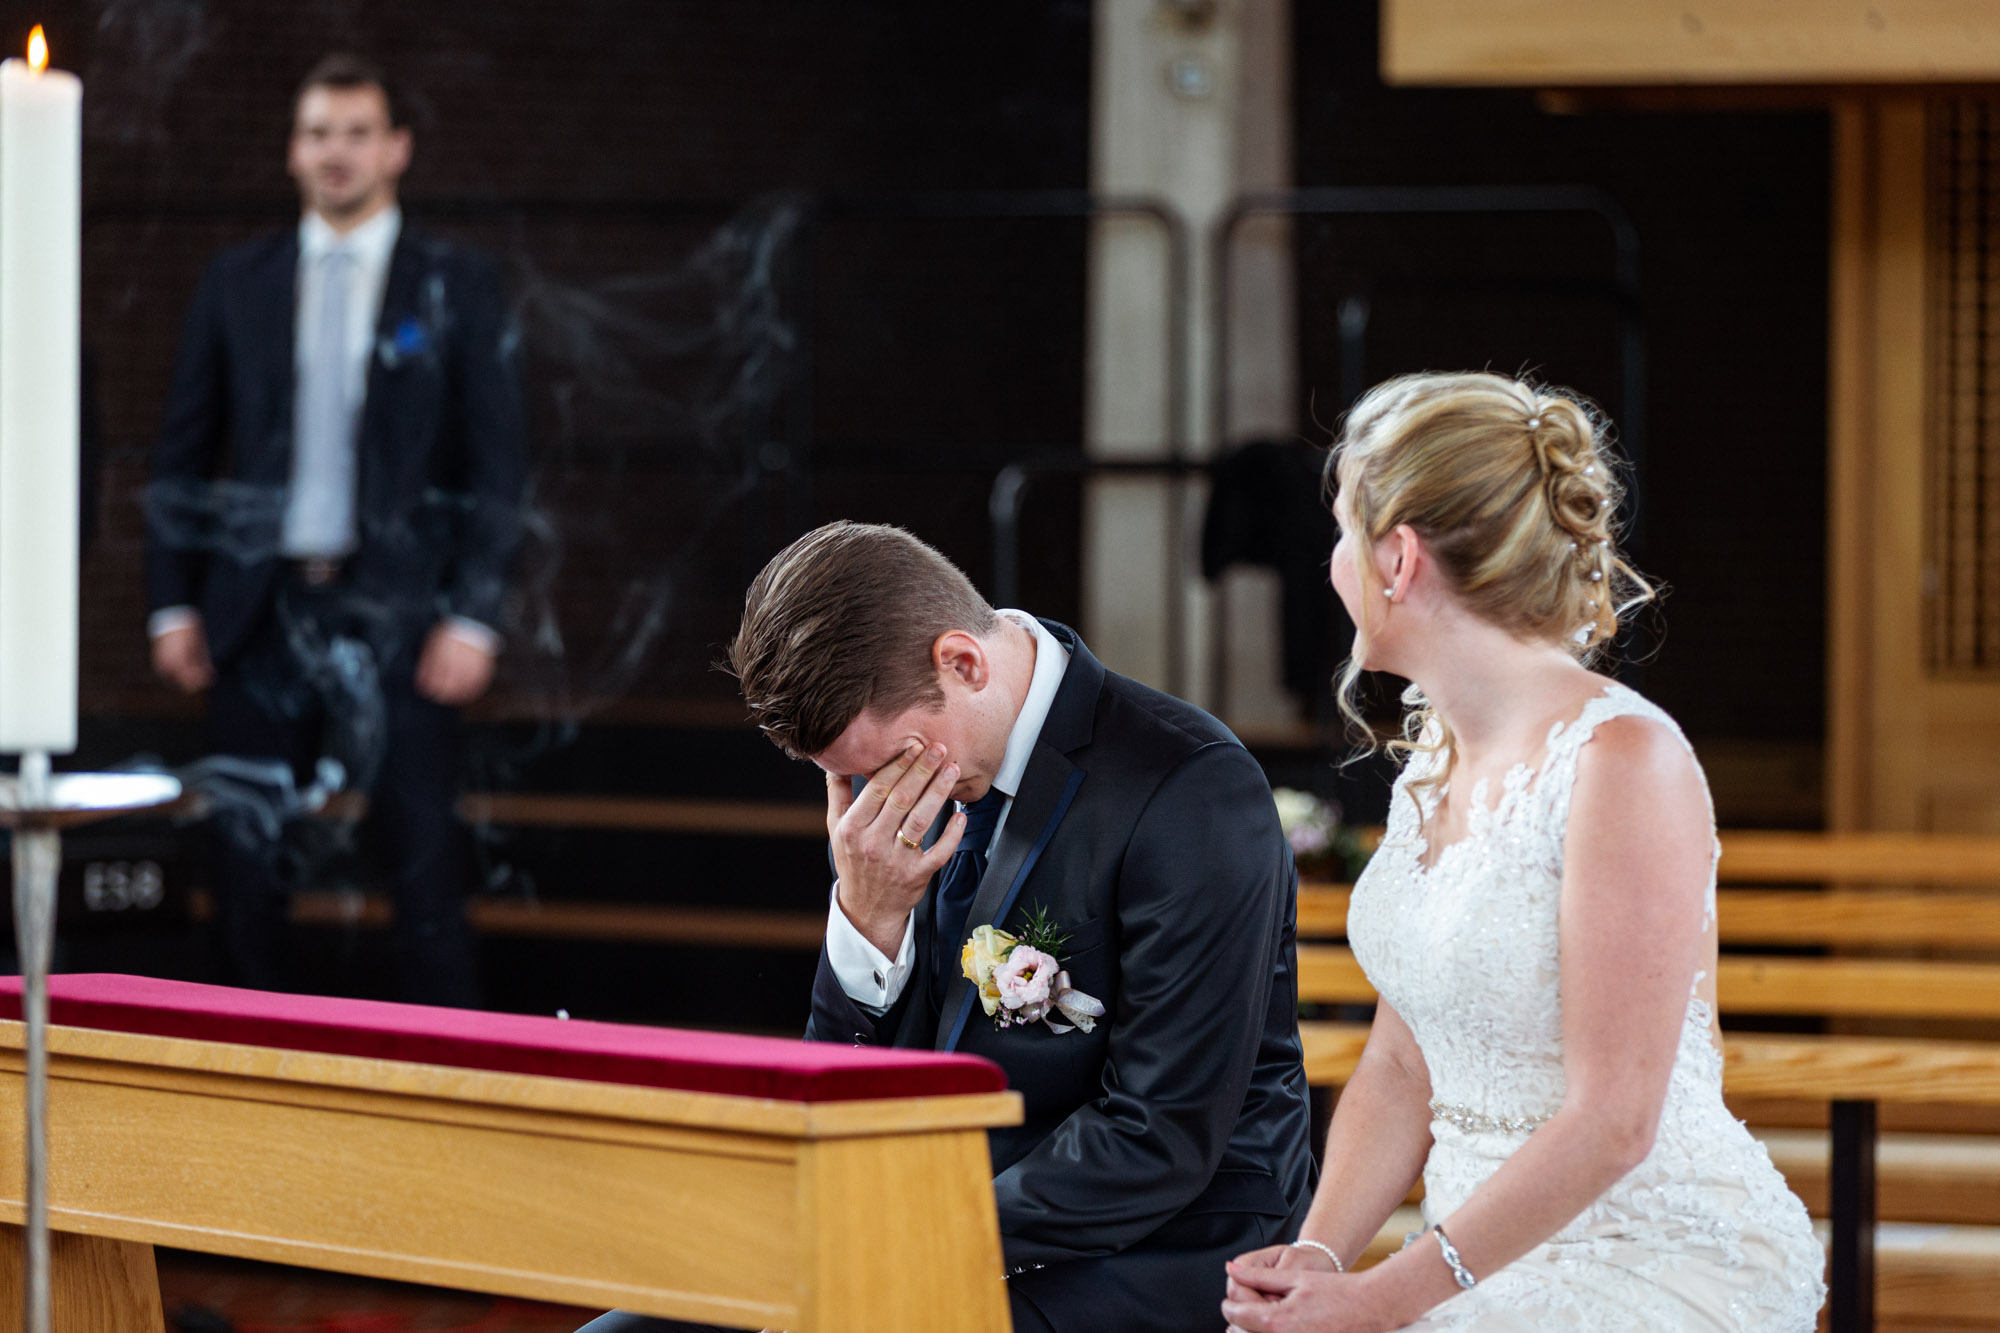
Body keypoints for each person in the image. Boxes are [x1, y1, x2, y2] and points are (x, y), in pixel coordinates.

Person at [579, 521, 1316, 1333]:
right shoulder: (924, 771)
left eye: (892, 760)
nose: (881, 796)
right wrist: (868, 919)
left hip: (1157, 1247)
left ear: (963, 663)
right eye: (853, 777)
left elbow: (1161, 1137)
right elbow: (843, 1100)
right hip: (941, 1216)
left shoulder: (1188, 785)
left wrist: (903, 1237)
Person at [1220, 372, 1824, 1332]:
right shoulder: (1434, 757)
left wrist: (1378, 1299)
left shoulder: (1622, 759)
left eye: (1342, 534)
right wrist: (1319, 1255)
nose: (1331, 565)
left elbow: (1615, 1120)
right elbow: (1402, 1062)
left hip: (1644, 1256)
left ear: (1399, 558)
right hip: (1472, 1260)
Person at [145, 55, 526, 1007]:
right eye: (318, 132)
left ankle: (446, 1075)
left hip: (403, 617)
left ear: (396, 149)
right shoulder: (237, 282)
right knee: (242, 874)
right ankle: (245, 1073)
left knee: (424, 869)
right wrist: (170, 604)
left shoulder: (457, 284)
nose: (336, 151)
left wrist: (474, 615)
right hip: (257, 613)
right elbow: (183, 452)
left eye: (357, 132)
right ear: (292, 150)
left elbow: (499, 463)